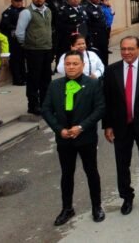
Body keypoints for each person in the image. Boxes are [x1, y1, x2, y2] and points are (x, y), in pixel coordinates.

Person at [41, 50, 106, 226]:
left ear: (83, 65)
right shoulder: (55, 85)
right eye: (68, 64)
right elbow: (46, 109)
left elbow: (100, 109)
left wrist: (81, 127)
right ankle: (67, 208)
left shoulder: (92, 84)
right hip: (64, 139)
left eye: (75, 63)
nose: (71, 67)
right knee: (66, 174)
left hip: (86, 138)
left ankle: (96, 206)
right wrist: (59, 129)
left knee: (91, 172)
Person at [102, 37, 139, 215]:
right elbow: (107, 100)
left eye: (130, 49)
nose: (126, 52)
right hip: (121, 126)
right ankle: (127, 198)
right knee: (122, 164)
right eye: (123, 49)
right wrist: (107, 126)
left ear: (138, 49)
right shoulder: (111, 70)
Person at [15, 0, 54, 115]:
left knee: (46, 79)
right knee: (33, 79)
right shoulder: (26, 12)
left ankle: (45, 104)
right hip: (33, 51)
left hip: (47, 49)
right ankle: (33, 106)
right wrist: (27, 44)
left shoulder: (48, 10)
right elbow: (19, 33)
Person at [0, 0, 27, 87]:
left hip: (24, 38)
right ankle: (17, 79)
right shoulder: (8, 12)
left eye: (20, 1)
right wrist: (18, 28)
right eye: (17, 1)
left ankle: (23, 77)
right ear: (12, 1)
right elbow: (3, 26)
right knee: (15, 60)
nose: (19, 3)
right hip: (13, 40)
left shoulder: (24, 10)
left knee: (22, 59)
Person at [83, 0, 109, 66]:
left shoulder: (100, 7)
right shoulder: (87, 9)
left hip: (103, 36)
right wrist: (89, 40)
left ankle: (105, 72)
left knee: (105, 55)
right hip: (94, 38)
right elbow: (87, 26)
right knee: (96, 57)